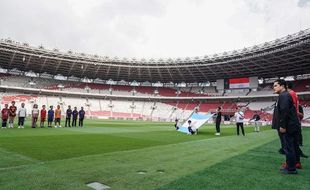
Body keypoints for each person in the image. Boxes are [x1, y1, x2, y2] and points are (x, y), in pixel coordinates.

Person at [272, 79, 300, 174]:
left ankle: (291, 169)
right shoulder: (284, 95)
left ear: (282, 86)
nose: (274, 87)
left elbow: (284, 112)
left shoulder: (284, 96)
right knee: (289, 146)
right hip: (291, 125)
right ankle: (290, 165)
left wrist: (282, 126)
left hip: (288, 126)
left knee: (288, 147)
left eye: (276, 85)